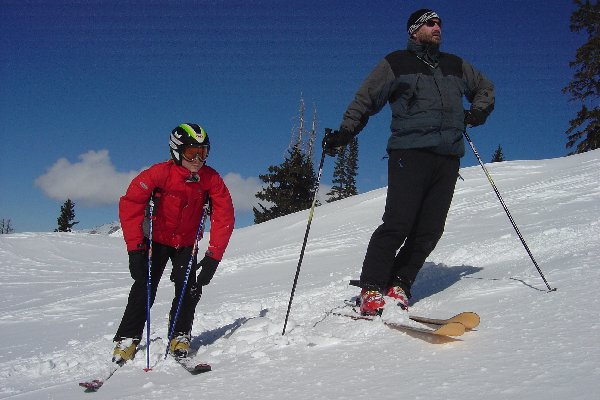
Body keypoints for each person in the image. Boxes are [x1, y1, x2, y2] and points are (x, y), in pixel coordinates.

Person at [323, 9, 494, 316]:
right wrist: (345, 133)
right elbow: (366, 98)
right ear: (414, 31)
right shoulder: (396, 63)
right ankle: (371, 288)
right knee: (398, 223)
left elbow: (485, 87)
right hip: (409, 153)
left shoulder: (454, 64)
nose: (437, 27)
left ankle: (400, 283)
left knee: (430, 228)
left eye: (440, 22)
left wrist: (477, 112)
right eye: (430, 23)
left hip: (448, 156)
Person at [112, 123, 235, 363]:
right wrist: (135, 248)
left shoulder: (211, 179)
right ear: (177, 151)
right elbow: (131, 204)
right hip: (156, 241)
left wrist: (213, 257)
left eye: (203, 152)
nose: (198, 159)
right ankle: (127, 338)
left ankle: (180, 334)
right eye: (192, 152)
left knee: (189, 288)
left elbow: (224, 216)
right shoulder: (158, 174)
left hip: (187, 243)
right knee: (144, 287)